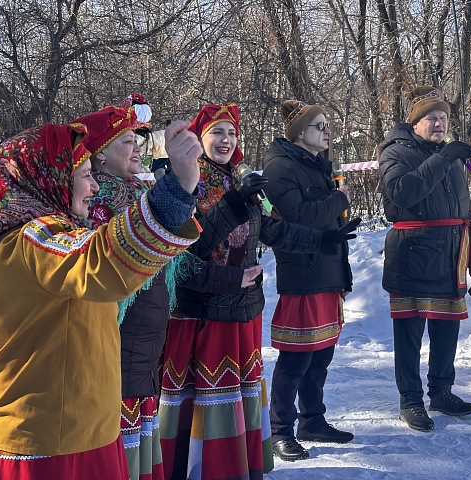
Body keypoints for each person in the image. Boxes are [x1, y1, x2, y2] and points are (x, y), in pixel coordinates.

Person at [0, 112, 203, 479]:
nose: (92, 188)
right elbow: (100, 262)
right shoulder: (33, 239)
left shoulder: (26, 237)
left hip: (74, 432)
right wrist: (177, 188)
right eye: (85, 176)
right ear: (49, 179)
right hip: (51, 448)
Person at [158, 103, 358, 479]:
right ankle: (197, 469)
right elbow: (193, 249)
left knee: (235, 396)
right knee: (205, 398)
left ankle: (233, 465)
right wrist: (235, 201)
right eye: (217, 132)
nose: (226, 139)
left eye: (232, 133)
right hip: (202, 311)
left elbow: (274, 230)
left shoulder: (239, 179)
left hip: (242, 305)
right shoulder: (188, 183)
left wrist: (325, 237)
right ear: (199, 139)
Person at [79, 104, 254, 480]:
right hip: (118, 341)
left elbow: (179, 259)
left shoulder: (138, 193)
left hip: (146, 342)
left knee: (137, 436)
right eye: (127, 140)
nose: (138, 147)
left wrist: (232, 280)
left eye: (138, 139)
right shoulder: (97, 205)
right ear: (100, 153)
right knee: (115, 441)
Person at [378, 86, 471, 432]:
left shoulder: (449, 156)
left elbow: (463, 210)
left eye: (443, 118)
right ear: (416, 122)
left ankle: (441, 391)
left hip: (452, 251)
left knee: (446, 330)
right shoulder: (395, 152)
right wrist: (443, 158)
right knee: (409, 333)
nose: (439, 123)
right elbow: (402, 193)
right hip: (412, 253)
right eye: (431, 118)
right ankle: (410, 399)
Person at [262, 100, 356, 461]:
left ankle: (312, 420)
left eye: (327, 124)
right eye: (319, 126)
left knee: (321, 356)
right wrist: (338, 200)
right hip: (302, 272)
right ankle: (280, 430)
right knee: (296, 358)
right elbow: (299, 217)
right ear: (299, 132)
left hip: (328, 271)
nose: (327, 131)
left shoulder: (315, 164)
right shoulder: (280, 166)